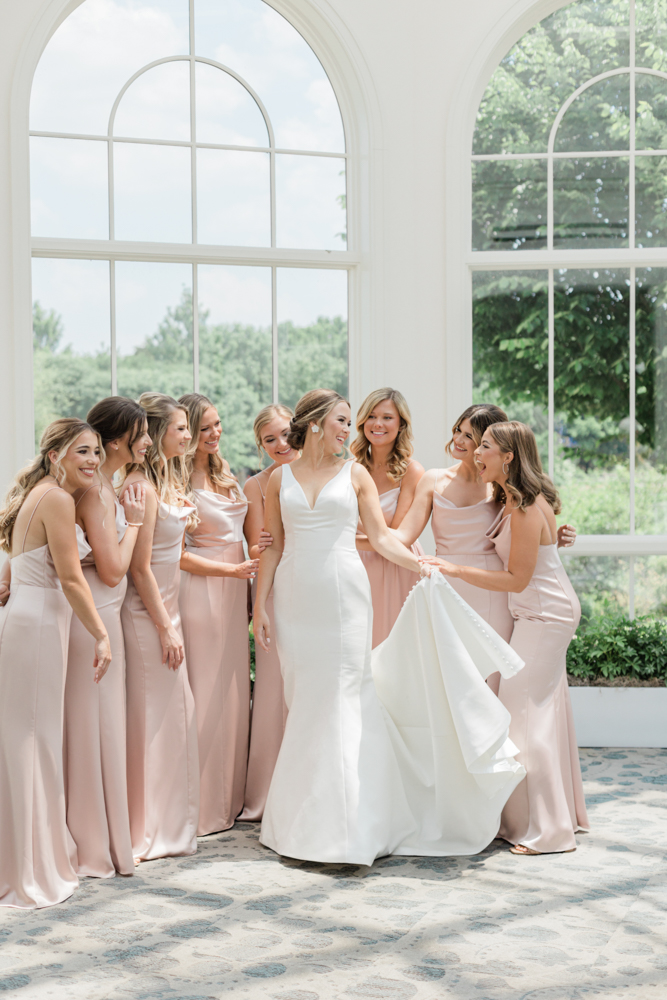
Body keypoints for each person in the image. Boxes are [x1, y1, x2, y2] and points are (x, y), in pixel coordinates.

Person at [253, 389, 526, 866]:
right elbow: (274, 546)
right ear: (316, 423)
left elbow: (381, 537)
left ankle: (351, 827)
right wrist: (259, 606)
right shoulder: (279, 479)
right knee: (306, 701)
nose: (348, 429)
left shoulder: (354, 474)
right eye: (341, 420)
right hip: (295, 598)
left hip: (345, 596)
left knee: (344, 697)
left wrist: (424, 566)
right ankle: (300, 820)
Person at [423, 421, 589, 855]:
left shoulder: (524, 507)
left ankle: (550, 832)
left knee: (525, 719)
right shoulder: (513, 500)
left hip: (544, 615)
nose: (477, 454)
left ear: (509, 456)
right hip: (536, 613)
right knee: (526, 716)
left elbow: (517, 579)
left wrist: (454, 569)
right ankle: (525, 820)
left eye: (485, 447)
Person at [0, 419, 112, 907]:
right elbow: (70, 579)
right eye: (81, 452)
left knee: (27, 738)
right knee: (34, 741)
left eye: (95, 453)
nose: (91, 460)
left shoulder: (38, 495)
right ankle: (33, 867)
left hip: (26, 619)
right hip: (42, 624)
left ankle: (26, 856)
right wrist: (102, 634)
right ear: (56, 455)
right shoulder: (59, 500)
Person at [394, 404, 575, 689]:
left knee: (491, 682)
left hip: (493, 592)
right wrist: (353, 534)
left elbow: (522, 541)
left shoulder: (501, 488)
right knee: (447, 679)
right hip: (446, 585)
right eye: (457, 430)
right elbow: (402, 535)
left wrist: (553, 541)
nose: (458, 440)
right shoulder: (434, 479)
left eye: (469, 435)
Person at [64, 398, 150, 879]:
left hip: (103, 611)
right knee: (95, 727)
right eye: (141, 432)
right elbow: (115, 571)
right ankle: (93, 842)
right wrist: (134, 525)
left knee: (103, 727)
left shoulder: (107, 486)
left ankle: (102, 836)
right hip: (94, 613)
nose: (148, 441)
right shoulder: (97, 492)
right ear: (117, 439)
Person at [121, 393, 199, 862]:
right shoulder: (140, 487)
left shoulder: (164, 480)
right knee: (154, 719)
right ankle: (147, 827)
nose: (187, 436)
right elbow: (140, 567)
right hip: (148, 614)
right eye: (179, 428)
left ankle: (169, 822)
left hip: (168, 608)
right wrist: (166, 626)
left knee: (173, 717)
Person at [179, 393, 257, 835]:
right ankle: (201, 804)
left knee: (233, 693)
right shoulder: (176, 481)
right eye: (204, 427)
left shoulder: (227, 474)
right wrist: (231, 570)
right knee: (206, 692)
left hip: (235, 588)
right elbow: (176, 555)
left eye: (217, 424)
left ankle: (229, 799)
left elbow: (246, 537)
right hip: (203, 590)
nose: (214, 433)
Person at [239, 403, 295, 821]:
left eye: (285, 434)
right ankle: (270, 789)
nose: (280, 445)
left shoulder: (330, 470)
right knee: (275, 683)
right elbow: (259, 547)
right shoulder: (256, 485)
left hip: (317, 582)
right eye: (269, 440)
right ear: (261, 446)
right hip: (277, 586)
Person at [351, 388, 425, 647]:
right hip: (356, 565)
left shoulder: (412, 472)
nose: (378, 424)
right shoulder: (351, 468)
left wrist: (347, 534)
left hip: (396, 565)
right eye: (371, 416)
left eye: (387, 417)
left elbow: (396, 537)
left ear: (401, 424)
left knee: (392, 647)